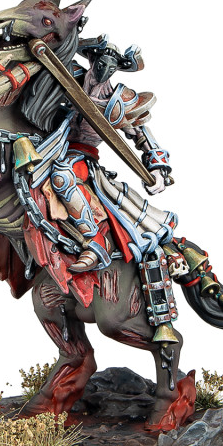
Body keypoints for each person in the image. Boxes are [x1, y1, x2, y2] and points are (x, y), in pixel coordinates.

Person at [48, 36, 173, 272]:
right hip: (45, 146)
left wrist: (157, 169)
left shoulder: (117, 101)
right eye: (101, 64)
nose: (105, 70)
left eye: (111, 67)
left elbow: (140, 134)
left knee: (62, 176)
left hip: (79, 156)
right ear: (92, 60)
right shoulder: (68, 75)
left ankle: (95, 242)